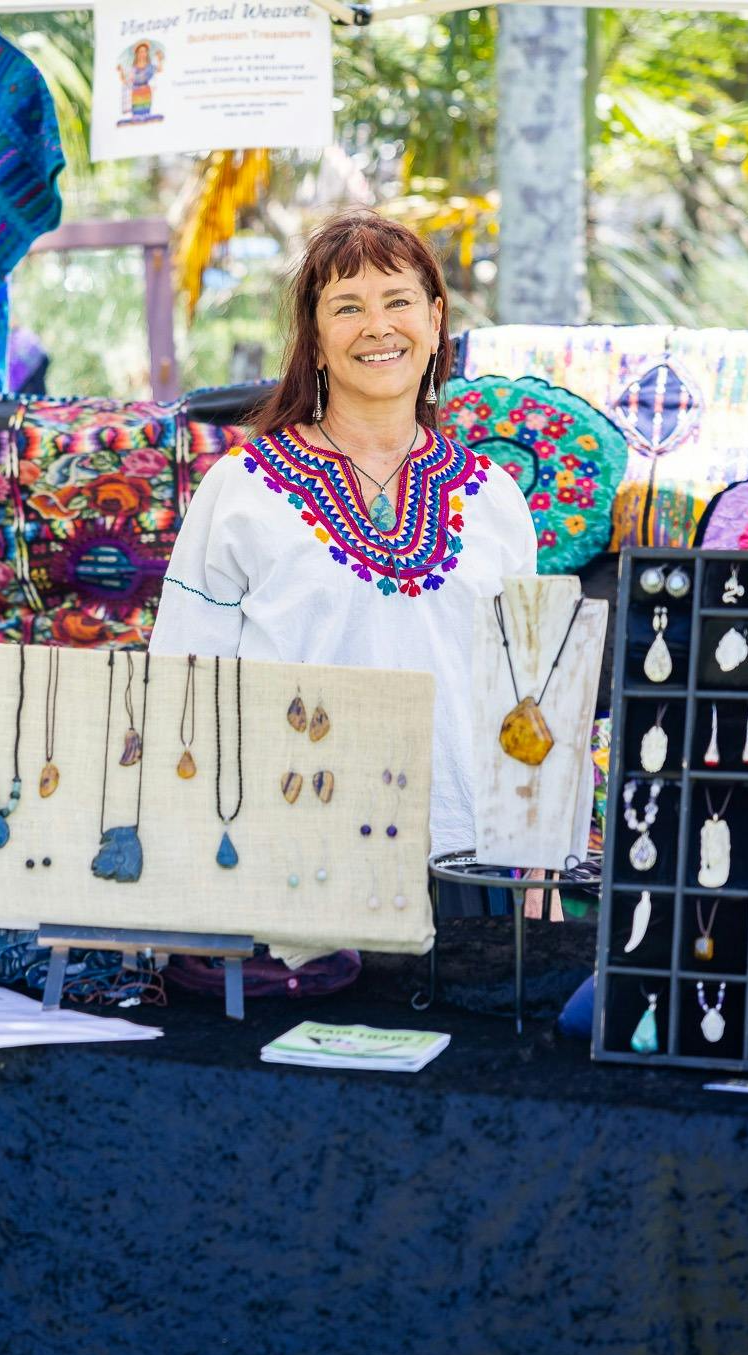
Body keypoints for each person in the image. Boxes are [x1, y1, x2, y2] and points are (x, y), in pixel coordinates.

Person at [151, 209, 537, 864]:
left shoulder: (494, 497)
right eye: (348, 307)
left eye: (398, 301)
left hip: (470, 862)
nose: (378, 327)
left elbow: (526, 693)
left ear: (436, 320)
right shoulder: (242, 490)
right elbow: (184, 687)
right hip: (288, 864)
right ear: (317, 338)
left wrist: (536, 848)